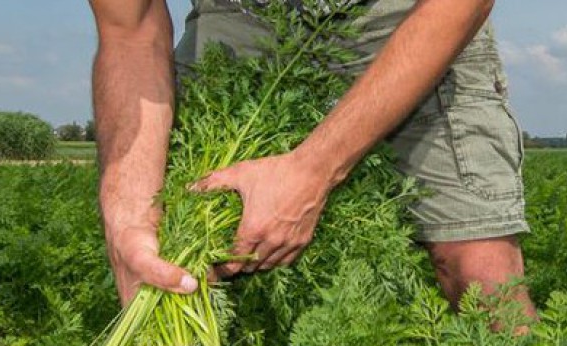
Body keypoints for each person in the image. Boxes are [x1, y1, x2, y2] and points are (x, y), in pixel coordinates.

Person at [87, 0, 536, 326]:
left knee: (478, 268)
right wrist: (129, 221)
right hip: (239, 13)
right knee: (182, 244)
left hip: (404, 12)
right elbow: (130, 25)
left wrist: (311, 170)